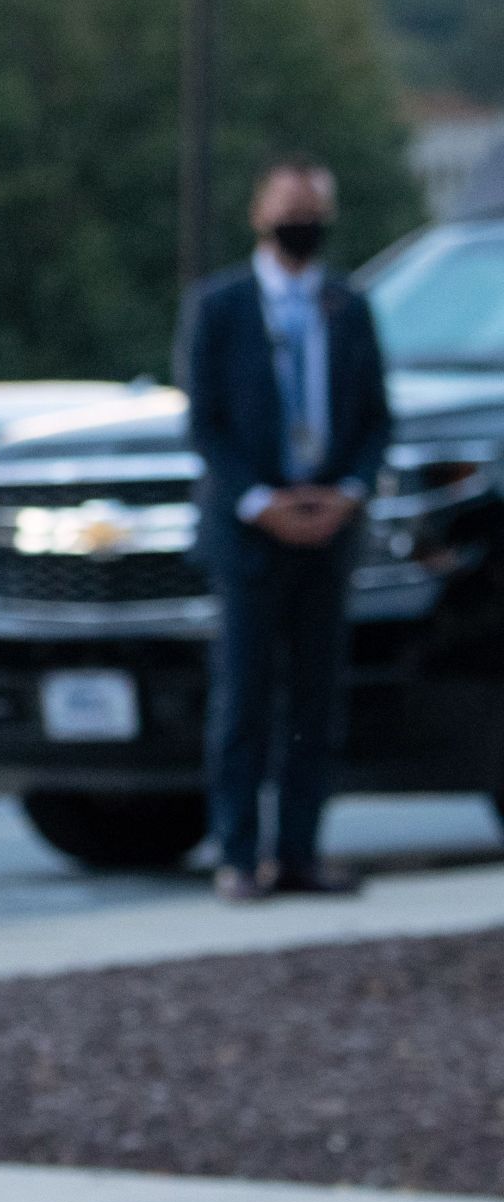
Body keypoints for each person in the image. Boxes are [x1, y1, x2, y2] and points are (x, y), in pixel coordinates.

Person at [184, 157, 391, 904]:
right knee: (243, 697)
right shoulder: (220, 307)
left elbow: (374, 418)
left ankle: (299, 852)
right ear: (259, 214)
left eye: (312, 209)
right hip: (249, 535)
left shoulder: (349, 306)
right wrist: (258, 501)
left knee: (314, 700)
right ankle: (239, 855)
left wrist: (348, 495)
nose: (300, 221)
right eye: (288, 207)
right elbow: (203, 422)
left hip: (329, 530)